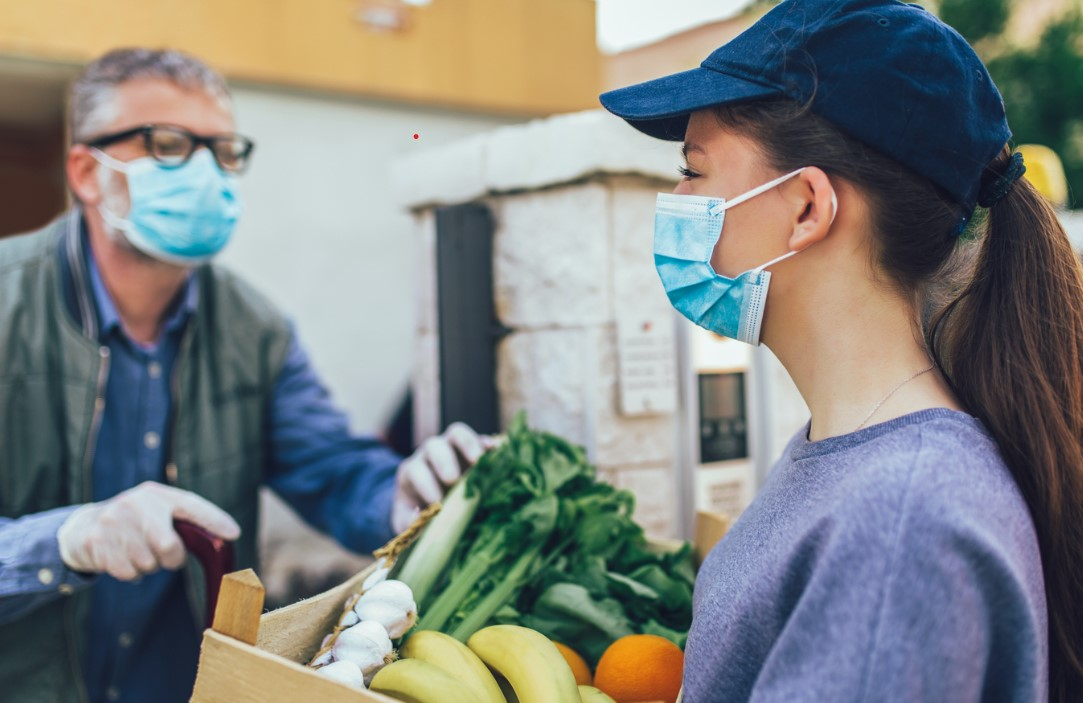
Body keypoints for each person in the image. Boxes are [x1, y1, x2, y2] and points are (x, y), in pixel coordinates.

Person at [601, 0, 1082, 700]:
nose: (674, 197)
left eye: (694, 170)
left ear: (806, 207)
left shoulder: (900, 524)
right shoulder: (851, 451)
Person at [0, 48, 488, 703]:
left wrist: (403, 494)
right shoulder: (9, 303)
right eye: (169, 144)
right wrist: (66, 539)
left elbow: (332, 469)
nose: (204, 171)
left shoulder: (253, 328)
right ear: (88, 172)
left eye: (223, 150)